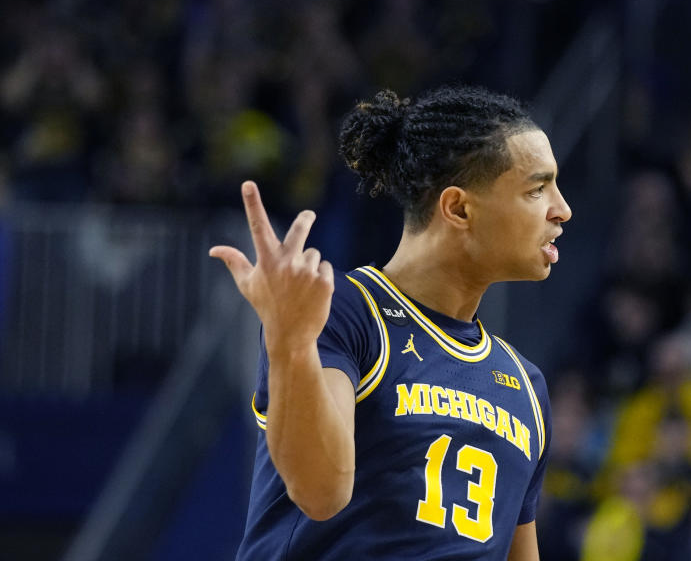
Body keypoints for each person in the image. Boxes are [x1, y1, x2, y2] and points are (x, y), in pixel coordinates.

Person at [210, 86, 572, 560]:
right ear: (458, 208)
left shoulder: (526, 384)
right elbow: (320, 492)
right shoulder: (345, 310)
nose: (561, 209)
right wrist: (291, 343)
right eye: (537, 189)